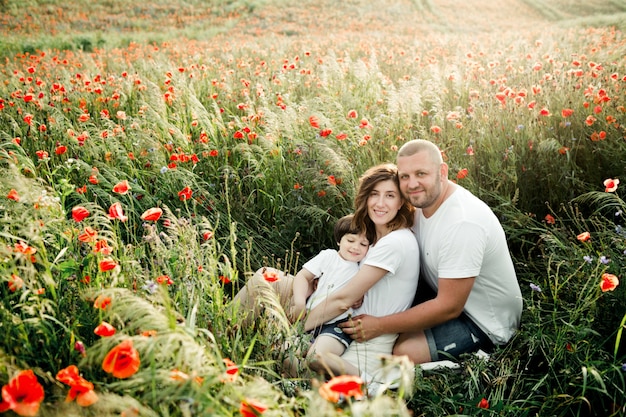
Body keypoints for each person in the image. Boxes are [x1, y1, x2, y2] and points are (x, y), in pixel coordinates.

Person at [339, 139, 523, 365]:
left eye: (421, 174)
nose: (412, 184)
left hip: (483, 322)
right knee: (390, 334)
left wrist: (378, 325)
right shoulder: (419, 204)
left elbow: (449, 307)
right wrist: (346, 279)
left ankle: (479, 364)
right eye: (404, 176)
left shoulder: (462, 223)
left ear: (442, 172)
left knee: (403, 352)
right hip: (437, 292)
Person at [302, 163, 419, 387]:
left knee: (294, 363)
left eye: (390, 195)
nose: (380, 203)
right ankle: (224, 334)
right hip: (342, 323)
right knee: (264, 279)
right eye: (374, 194)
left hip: (365, 342)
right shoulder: (374, 237)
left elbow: (343, 300)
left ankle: (373, 387)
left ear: (401, 202)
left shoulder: (395, 242)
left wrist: (297, 327)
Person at [231, 214, 369, 378]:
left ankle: (366, 381)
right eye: (351, 241)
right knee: (285, 351)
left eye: (363, 244)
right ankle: (306, 385)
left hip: (336, 326)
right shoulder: (328, 256)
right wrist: (299, 301)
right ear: (339, 240)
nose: (356, 247)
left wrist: (360, 296)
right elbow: (303, 277)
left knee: (318, 355)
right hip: (311, 316)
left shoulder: (362, 269)